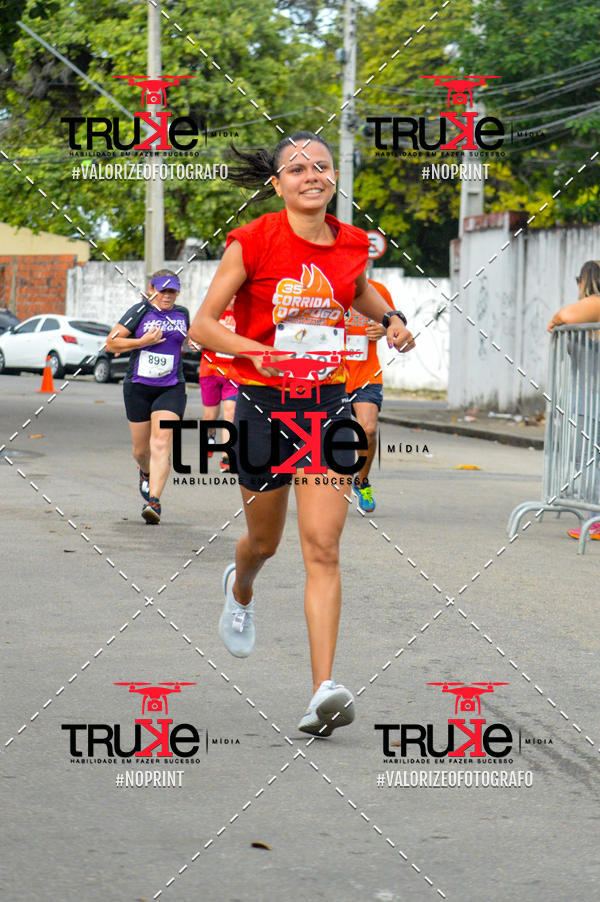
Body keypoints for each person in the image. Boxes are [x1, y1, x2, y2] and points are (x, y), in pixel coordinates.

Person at [189, 131, 415, 737]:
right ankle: (240, 590)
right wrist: (252, 352)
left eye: (320, 165)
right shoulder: (254, 240)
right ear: (278, 183)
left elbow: (360, 292)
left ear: (334, 176)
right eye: (296, 168)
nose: (310, 175)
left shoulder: (350, 244)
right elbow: (203, 326)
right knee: (263, 543)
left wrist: (391, 320)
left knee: (323, 546)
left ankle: (323, 691)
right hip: (262, 408)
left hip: (328, 408)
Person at [106, 269, 189, 525]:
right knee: (141, 451)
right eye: (163, 290)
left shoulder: (182, 314)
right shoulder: (139, 311)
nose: (167, 295)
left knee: (161, 443)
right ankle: (145, 471)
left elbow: (185, 341)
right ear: (151, 289)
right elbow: (111, 343)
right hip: (138, 387)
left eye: (172, 290)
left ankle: (153, 501)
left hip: (171, 386)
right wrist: (141, 342)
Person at [547, 259, 600, 540]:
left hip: (589, 403)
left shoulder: (594, 305)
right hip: (586, 401)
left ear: (584, 280)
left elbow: (564, 316)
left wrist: (555, 321)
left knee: (589, 463)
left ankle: (596, 519)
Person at [345, 277, 394, 512]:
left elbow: (394, 325)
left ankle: (361, 481)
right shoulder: (325, 286)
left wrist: (383, 330)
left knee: (369, 430)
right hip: (330, 374)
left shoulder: (378, 290)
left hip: (366, 373)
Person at [198, 301, 239, 473]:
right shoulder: (212, 312)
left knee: (230, 412)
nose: (232, 299)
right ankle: (210, 436)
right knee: (210, 417)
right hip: (211, 370)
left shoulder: (244, 314)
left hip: (233, 372)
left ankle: (226, 457)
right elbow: (198, 335)